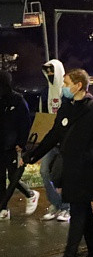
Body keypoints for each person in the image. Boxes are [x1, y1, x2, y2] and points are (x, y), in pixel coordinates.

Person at [24, 69, 93, 257]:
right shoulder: (67, 108)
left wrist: (86, 158)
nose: (63, 87)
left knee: (79, 210)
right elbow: (54, 135)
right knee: (84, 211)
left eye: (66, 83)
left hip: (87, 171)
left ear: (78, 85)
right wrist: (33, 155)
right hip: (70, 169)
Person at [0, 71, 39, 219]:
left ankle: (30, 194)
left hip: (11, 146)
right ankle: (3, 209)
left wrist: (21, 143)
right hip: (2, 144)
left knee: (13, 175)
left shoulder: (17, 100)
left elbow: (24, 123)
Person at [39, 59, 70, 222]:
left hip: (65, 142)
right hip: (51, 139)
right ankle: (55, 204)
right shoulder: (46, 92)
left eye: (53, 71)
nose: (50, 75)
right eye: (47, 71)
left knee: (62, 175)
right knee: (44, 171)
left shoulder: (66, 91)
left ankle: (66, 207)